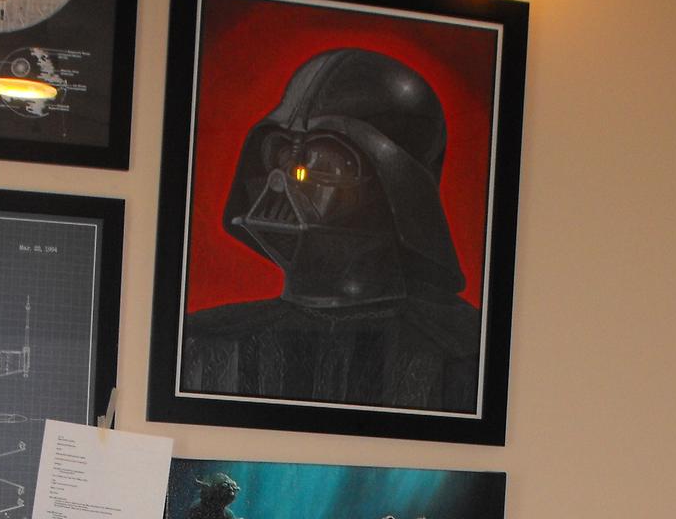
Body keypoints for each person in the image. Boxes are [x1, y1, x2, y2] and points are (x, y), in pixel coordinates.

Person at [181, 48, 481, 413]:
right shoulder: (206, 343)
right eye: (281, 154)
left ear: (396, 187)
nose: (286, 180)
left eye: (324, 161)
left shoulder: (467, 351)